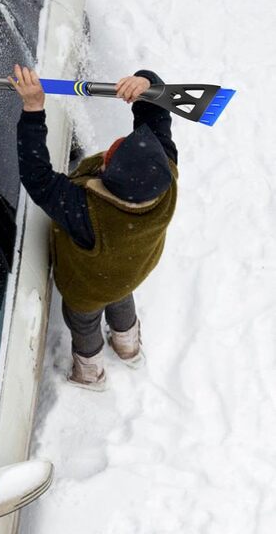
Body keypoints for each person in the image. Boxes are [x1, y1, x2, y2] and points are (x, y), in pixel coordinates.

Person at [10, 64, 178, 390]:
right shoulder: (163, 170)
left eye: (110, 157)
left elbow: (38, 178)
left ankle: (90, 373)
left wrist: (33, 110)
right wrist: (146, 83)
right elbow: (157, 114)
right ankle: (128, 347)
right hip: (130, 269)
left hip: (89, 287)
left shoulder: (88, 214)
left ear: (107, 174)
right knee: (120, 298)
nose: (110, 150)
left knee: (84, 322)